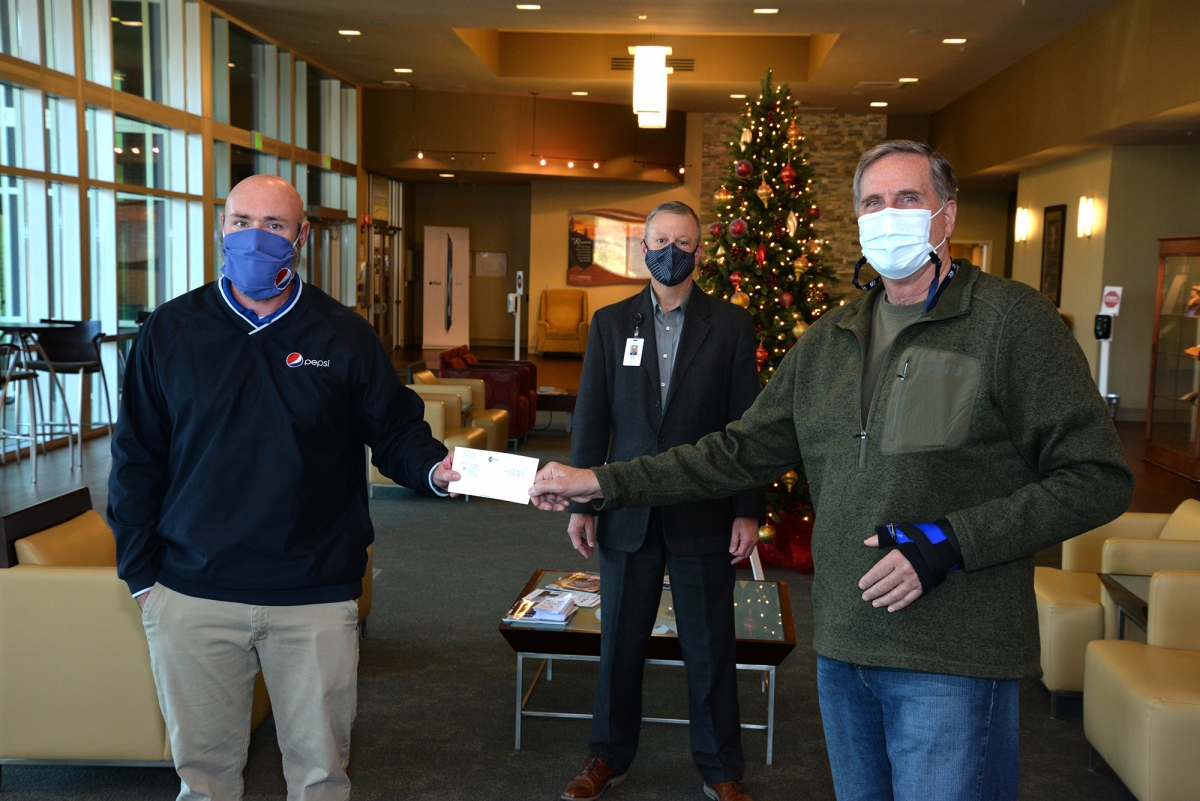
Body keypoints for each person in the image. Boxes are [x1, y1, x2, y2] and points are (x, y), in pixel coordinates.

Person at [530, 141, 1135, 801]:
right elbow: (733, 451)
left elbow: (1096, 475)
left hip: (951, 660)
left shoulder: (1010, 323)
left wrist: (954, 539)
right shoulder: (829, 340)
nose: (888, 215)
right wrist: (599, 482)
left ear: (947, 215)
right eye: (873, 202)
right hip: (844, 648)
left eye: (908, 199)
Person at [108, 174, 460, 801]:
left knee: (321, 777)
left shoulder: (342, 333)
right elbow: (136, 459)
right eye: (242, 221)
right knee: (205, 780)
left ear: (301, 236)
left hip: (313, 596)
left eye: (274, 226)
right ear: (222, 227)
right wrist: (142, 578)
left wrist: (434, 470)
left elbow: (397, 429)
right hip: (194, 593)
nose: (255, 237)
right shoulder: (170, 330)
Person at [559, 201, 765, 801]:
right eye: (660, 240)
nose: (671, 251)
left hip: (704, 508)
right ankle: (607, 757)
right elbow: (592, 420)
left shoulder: (730, 326)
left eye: (683, 241)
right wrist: (582, 504)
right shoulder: (609, 323)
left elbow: (746, 425)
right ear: (642, 248)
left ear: (700, 252)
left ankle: (721, 768)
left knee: (709, 648)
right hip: (626, 512)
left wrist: (747, 508)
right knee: (619, 644)